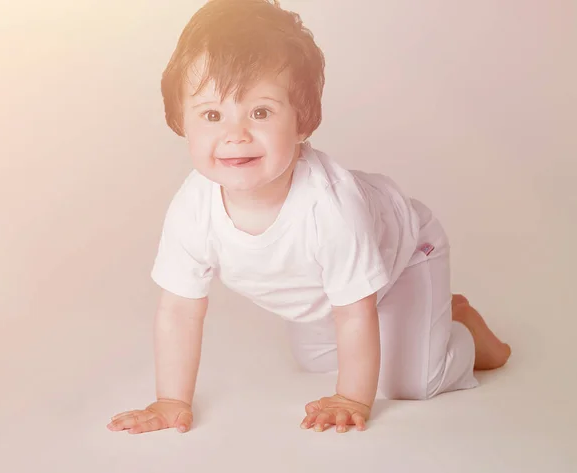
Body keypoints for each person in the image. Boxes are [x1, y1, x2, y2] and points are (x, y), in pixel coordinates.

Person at [107, 0, 511, 435]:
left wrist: (352, 398)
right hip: (332, 290)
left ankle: (467, 334)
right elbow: (180, 311)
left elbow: (355, 315)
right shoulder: (192, 207)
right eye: (211, 114)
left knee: (407, 382)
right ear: (180, 122)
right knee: (317, 359)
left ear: (303, 122)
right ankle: (425, 320)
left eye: (260, 112)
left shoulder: (330, 207)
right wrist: (171, 400)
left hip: (408, 254)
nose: (235, 134)